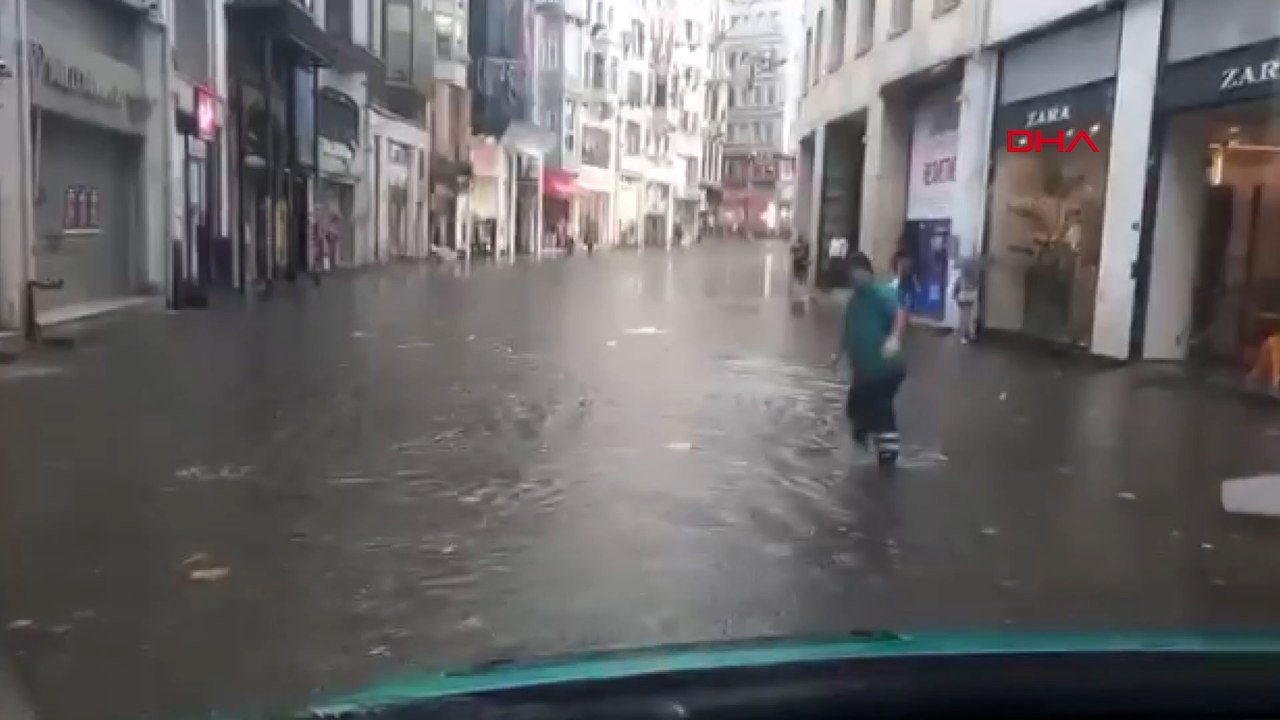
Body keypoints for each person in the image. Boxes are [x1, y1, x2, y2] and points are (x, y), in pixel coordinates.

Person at [833, 251, 908, 469]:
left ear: (868, 272)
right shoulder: (854, 303)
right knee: (855, 406)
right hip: (864, 371)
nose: (854, 279)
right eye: (851, 276)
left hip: (885, 368)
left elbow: (900, 314)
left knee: (880, 406)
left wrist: (894, 338)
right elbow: (848, 332)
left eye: (858, 274)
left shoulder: (881, 294)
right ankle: (864, 438)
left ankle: (888, 457)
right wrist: (838, 356)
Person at [953, 255, 982, 343]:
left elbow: (956, 289)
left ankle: (963, 336)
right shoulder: (975, 278)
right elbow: (977, 287)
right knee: (970, 317)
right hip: (971, 298)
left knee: (963, 317)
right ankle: (971, 334)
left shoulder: (961, 278)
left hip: (962, 298)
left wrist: (955, 296)